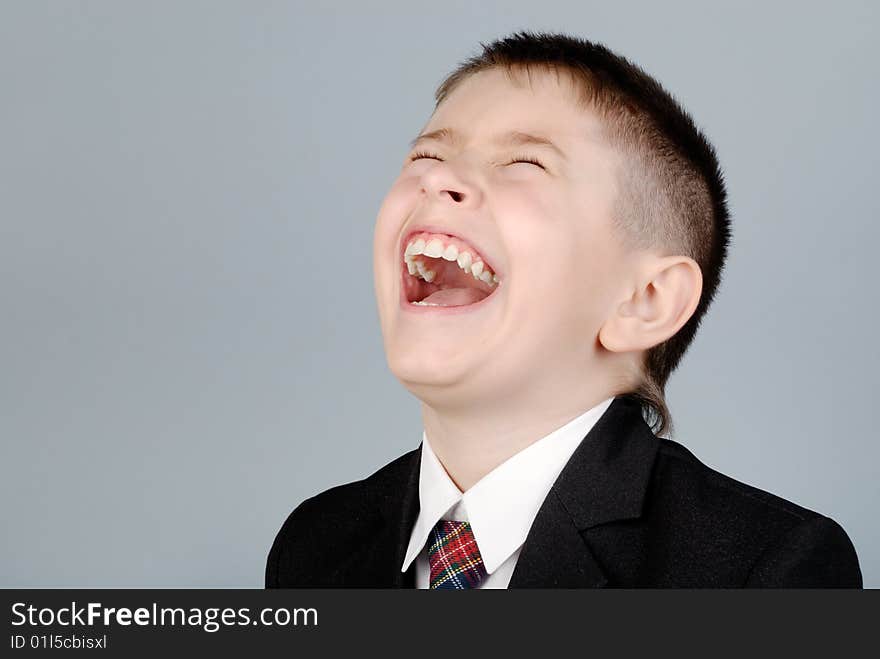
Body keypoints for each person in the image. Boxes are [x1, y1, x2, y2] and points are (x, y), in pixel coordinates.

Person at [266, 31, 862, 588]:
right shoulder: (316, 544)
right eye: (425, 156)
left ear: (646, 301)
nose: (439, 180)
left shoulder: (767, 568)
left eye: (524, 163)